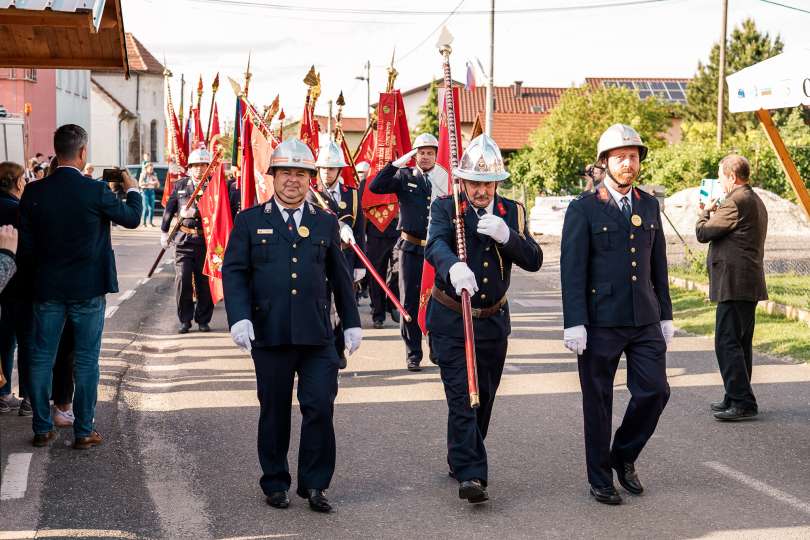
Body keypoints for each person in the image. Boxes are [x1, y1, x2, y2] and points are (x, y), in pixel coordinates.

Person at [222, 138, 362, 513]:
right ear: (273, 177)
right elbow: (234, 272)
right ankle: (275, 482)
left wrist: (351, 323)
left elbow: (340, 276)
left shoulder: (325, 222)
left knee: (319, 406)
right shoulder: (250, 221)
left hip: (317, 335)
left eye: (301, 173)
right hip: (270, 333)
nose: (292, 180)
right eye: (286, 172)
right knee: (275, 408)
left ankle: (315, 485)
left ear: (310, 179)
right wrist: (239, 317)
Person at [560, 124, 673, 505]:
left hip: (644, 318)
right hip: (599, 320)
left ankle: (623, 455)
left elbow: (659, 265)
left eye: (634, 156)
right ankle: (599, 478)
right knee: (598, 401)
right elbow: (572, 269)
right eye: (620, 157)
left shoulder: (648, 204)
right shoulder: (584, 208)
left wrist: (666, 314)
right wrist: (573, 320)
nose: (628, 163)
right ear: (605, 161)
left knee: (656, 391)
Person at [426, 134, 542, 504]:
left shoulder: (513, 212)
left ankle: (460, 454)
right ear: (462, 180)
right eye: (473, 182)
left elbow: (534, 259)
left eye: (486, 183)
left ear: (497, 183)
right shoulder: (447, 208)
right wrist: (453, 266)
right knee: (464, 396)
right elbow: (435, 245)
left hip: (492, 320)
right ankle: (473, 475)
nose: (479, 190)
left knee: (484, 398)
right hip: (451, 318)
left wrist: (508, 236)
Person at [18, 124, 142, 449]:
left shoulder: (33, 192)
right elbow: (132, 217)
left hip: (46, 289)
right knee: (87, 359)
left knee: (42, 356)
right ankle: (84, 430)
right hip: (87, 289)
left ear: (55, 151)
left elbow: (26, 249)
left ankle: (42, 426)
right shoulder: (95, 190)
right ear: (83, 152)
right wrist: (132, 187)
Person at [695, 154, 767, 421]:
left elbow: (704, 233)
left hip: (736, 283)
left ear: (732, 177)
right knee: (739, 342)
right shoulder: (753, 199)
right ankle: (735, 394)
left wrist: (704, 212)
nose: (720, 182)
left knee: (726, 342)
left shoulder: (735, 201)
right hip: (746, 282)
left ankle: (742, 401)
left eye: (721, 176)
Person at [369, 133, 448, 371]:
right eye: (421, 153)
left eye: (429, 153)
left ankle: (435, 344)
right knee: (409, 302)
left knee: (438, 299)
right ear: (415, 156)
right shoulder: (404, 176)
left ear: (436, 155)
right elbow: (376, 186)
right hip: (410, 248)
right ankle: (413, 352)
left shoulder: (444, 179)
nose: (425, 157)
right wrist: (396, 163)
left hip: (436, 248)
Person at [308, 140, 366, 369]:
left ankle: (338, 347)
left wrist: (360, 263)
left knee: (344, 303)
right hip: (319, 257)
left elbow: (359, 227)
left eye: (331, 168)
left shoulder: (351, 195)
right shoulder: (311, 193)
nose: (327, 173)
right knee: (322, 303)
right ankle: (325, 347)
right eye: (323, 168)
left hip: (345, 257)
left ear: (339, 170)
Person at [160, 146, 215, 334]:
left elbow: (219, 211)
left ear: (208, 166)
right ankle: (185, 320)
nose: (199, 169)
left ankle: (203, 319)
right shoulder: (180, 185)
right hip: (183, 240)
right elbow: (169, 209)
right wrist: (164, 232)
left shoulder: (214, 187)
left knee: (204, 283)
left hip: (205, 242)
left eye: (203, 165)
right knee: (183, 280)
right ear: (189, 168)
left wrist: (199, 211)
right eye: (195, 165)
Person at [0, 162, 31, 414]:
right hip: (20, 284)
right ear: (18, 182)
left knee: (4, 341)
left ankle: (3, 392)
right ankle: (29, 398)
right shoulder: (18, 210)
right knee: (27, 342)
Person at [139, 163, 160, 227]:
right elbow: (140, 184)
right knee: (146, 208)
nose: (151, 170)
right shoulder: (143, 175)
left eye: (152, 169)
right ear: (146, 168)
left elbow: (158, 185)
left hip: (152, 192)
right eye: (150, 169)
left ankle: (150, 222)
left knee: (152, 208)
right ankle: (144, 223)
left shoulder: (154, 175)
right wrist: (149, 183)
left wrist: (156, 182)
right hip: (145, 192)